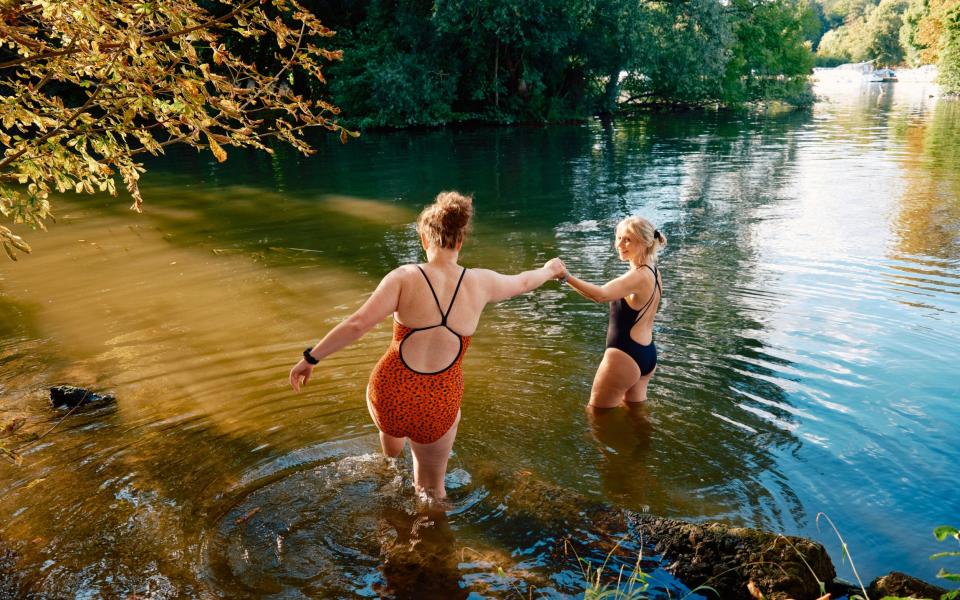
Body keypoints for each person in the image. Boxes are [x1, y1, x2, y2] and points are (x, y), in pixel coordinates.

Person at [289, 191, 565, 501]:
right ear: (460, 241)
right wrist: (550, 270)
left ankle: (390, 471)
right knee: (431, 490)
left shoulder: (405, 276)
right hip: (437, 401)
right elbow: (525, 282)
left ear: (424, 238)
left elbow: (357, 324)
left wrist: (310, 358)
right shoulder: (481, 282)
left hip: (390, 391)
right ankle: (430, 544)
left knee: (392, 445)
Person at [558, 216, 666, 408]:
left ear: (644, 242)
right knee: (636, 414)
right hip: (647, 355)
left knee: (596, 415)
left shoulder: (638, 276)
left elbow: (600, 295)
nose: (620, 245)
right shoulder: (654, 272)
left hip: (624, 356)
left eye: (628, 240)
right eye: (618, 238)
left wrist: (566, 277)